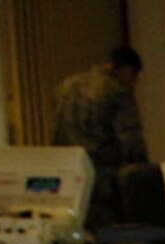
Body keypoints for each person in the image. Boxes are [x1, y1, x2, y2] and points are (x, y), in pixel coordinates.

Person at [51, 47, 148, 226]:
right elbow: (131, 141)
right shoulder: (117, 91)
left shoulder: (67, 85)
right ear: (128, 71)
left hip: (66, 175)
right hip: (102, 181)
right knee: (104, 237)